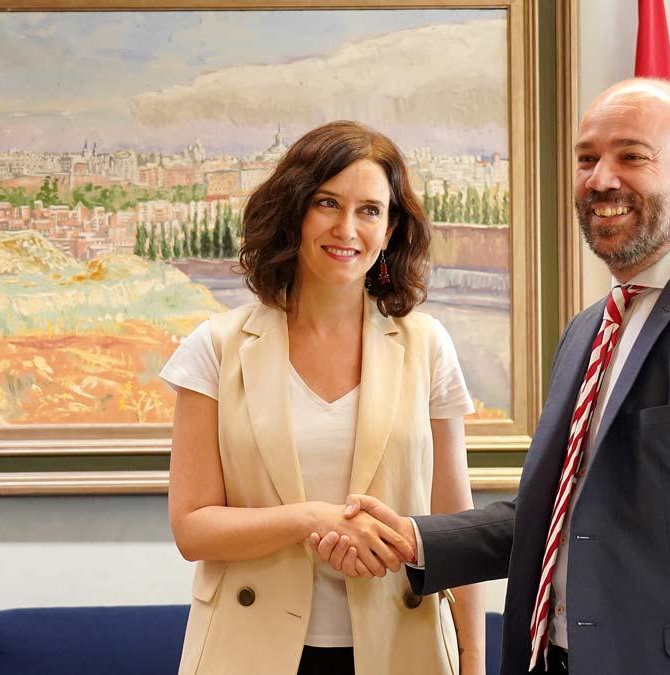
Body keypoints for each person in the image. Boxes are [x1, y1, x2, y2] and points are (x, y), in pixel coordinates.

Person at [313, 79, 670, 674]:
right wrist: (416, 540)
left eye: (632, 155)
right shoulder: (587, 330)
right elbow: (559, 510)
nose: (601, 178)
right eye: (587, 158)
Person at [162, 120, 484, 675]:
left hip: (403, 647)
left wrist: (474, 664)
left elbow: (458, 526)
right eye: (327, 203)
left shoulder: (427, 345)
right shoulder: (215, 347)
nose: (347, 227)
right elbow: (193, 528)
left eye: (369, 210)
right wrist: (312, 519)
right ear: (294, 212)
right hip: (248, 650)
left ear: (389, 230)